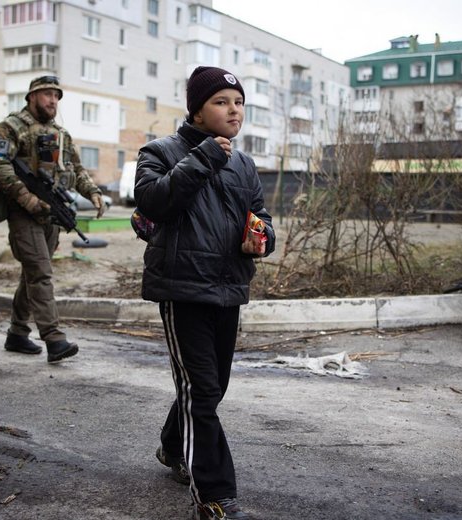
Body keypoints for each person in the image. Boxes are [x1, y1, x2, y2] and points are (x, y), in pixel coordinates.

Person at [135, 66, 276, 520]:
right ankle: (214, 496)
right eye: (221, 101)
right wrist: (203, 158)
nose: (233, 110)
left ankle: (172, 447)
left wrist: (263, 236)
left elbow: (260, 214)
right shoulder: (159, 151)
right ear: (197, 109)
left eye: (238, 102)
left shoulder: (244, 163)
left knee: (211, 390)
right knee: (201, 390)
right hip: (183, 288)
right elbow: (152, 202)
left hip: (229, 287)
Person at [0, 75, 105, 362]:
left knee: (33, 273)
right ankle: (53, 338)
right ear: (32, 96)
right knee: (40, 272)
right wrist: (26, 198)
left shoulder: (60, 134)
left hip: (51, 212)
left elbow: (75, 169)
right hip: (23, 212)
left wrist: (93, 193)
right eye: (47, 94)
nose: (53, 100)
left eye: (56, 96)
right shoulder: (12, 127)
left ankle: (17, 333)